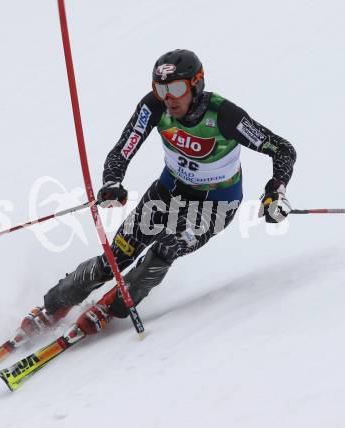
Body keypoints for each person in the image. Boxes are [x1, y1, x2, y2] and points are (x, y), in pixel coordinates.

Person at [20, 49, 296, 337]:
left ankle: (111, 307)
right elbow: (123, 149)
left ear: (196, 84)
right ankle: (54, 305)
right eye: (161, 88)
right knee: (117, 256)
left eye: (176, 88)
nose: (168, 97)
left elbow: (282, 149)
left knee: (166, 247)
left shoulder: (224, 115)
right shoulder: (154, 106)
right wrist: (112, 182)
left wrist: (276, 191)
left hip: (215, 207)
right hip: (167, 193)